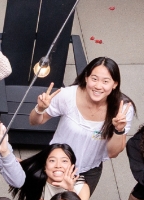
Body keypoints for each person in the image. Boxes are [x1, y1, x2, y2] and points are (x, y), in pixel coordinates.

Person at [27, 57, 132, 190]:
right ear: (86, 78)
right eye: (94, 79)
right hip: (56, 163)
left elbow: (113, 153)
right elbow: (34, 121)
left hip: (89, 170)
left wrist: (118, 130)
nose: (98, 86)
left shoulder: (122, 109)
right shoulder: (68, 95)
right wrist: (40, 109)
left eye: (106, 81)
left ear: (115, 84)